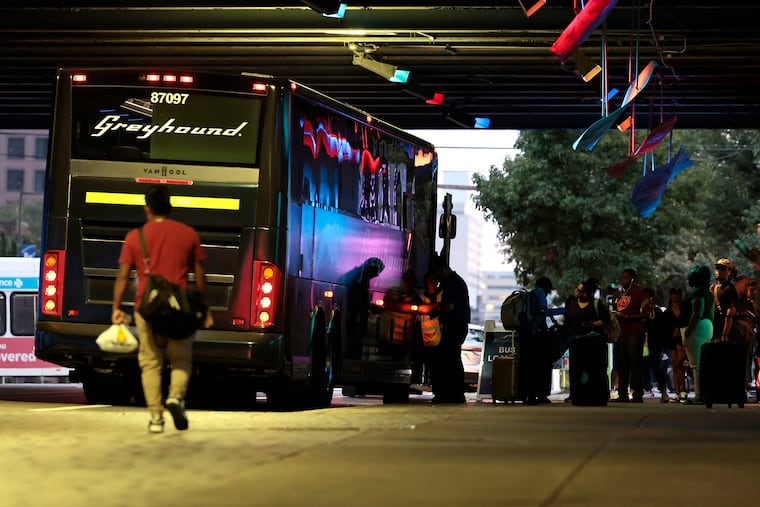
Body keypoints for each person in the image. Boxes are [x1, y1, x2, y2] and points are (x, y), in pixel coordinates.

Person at [112, 185, 212, 433]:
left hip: (146, 309)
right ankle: (175, 398)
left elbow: (123, 277)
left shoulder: (135, 237)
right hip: (179, 310)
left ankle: (156, 418)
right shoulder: (188, 234)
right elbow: (200, 276)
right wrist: (205, 309)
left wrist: (116, 308)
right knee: (181, 360)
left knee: (150, 363)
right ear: (170, 207)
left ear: (147, 208)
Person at [516, 276, 564, 405]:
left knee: (526, 366)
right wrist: (563, 310)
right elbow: (543, 311)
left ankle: (525, 394)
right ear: (547, 287)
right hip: (535, 336)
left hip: (524, 335)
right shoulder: (540, 293)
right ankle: (538, 395)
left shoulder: (530, 294)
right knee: (539, 366)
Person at [429, 255, 470, 403]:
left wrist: (435, 312)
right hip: (457, 326)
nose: (437, 278)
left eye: (437, 275)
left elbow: (449, 306)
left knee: (448, 360)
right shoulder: (455, 281)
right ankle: (454, 394)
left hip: (454, 326)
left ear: (442, 270)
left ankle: (451, 394)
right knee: (452, 360)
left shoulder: (452, 283)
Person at [562, 277, 611, 403]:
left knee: (596, 371)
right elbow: (568, 321)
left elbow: (606, 320)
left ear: (586, 293)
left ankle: (597, 397)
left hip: (594, 343)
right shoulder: (572, 303)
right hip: (577, 342)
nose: (576, 292)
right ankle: (578, 396)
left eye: (579, 290)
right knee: (576, 371)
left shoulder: (596, 304)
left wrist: (592, 324)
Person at [611, 268, 651, 403]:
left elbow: (646, 314)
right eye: (622, 277)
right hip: (619, 333)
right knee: (620, 363)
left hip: (634, 332)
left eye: (626, 277)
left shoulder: (640, 293)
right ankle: (622, 393)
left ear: (633, 279)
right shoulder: (617, 294)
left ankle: (637, 393)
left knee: (635, 363)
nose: (623, 280)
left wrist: (628, 317)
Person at [680, 264, 714, 405]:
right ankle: (705, 394)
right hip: (707, 326)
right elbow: (711, 314)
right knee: (704, 363)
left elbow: (696, 313)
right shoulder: (709, 293)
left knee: (696, 365)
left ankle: (699, 395)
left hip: (696, 327)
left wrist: (688, 330)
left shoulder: (697, 293)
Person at [643, 288, 671, 403]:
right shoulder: (640, 311)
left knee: (656, 367)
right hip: (642, 342)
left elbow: (662, 329)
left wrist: (663, 347)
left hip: (654, 343)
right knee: (642, 367)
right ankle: (639, 390)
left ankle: (663, 392)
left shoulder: (657, 311)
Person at [662, 288, 687, 402]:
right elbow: (665, 328)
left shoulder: (685, 309)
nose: (676, 297)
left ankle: (682, 389)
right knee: (675, 366)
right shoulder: (667, 312)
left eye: (678, 294)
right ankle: (678, 391)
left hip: (683, 340)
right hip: (672, 340)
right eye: (674, 294)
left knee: (679, 365)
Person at [711, 258, 740, 343]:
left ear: (729, 272)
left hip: (723, 332)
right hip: (713, 329)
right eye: (717, 268)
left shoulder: (729, 288)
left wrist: (725, 334)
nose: (718, 271)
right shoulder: (714, 288)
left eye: (722, 269)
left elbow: (731, 311)